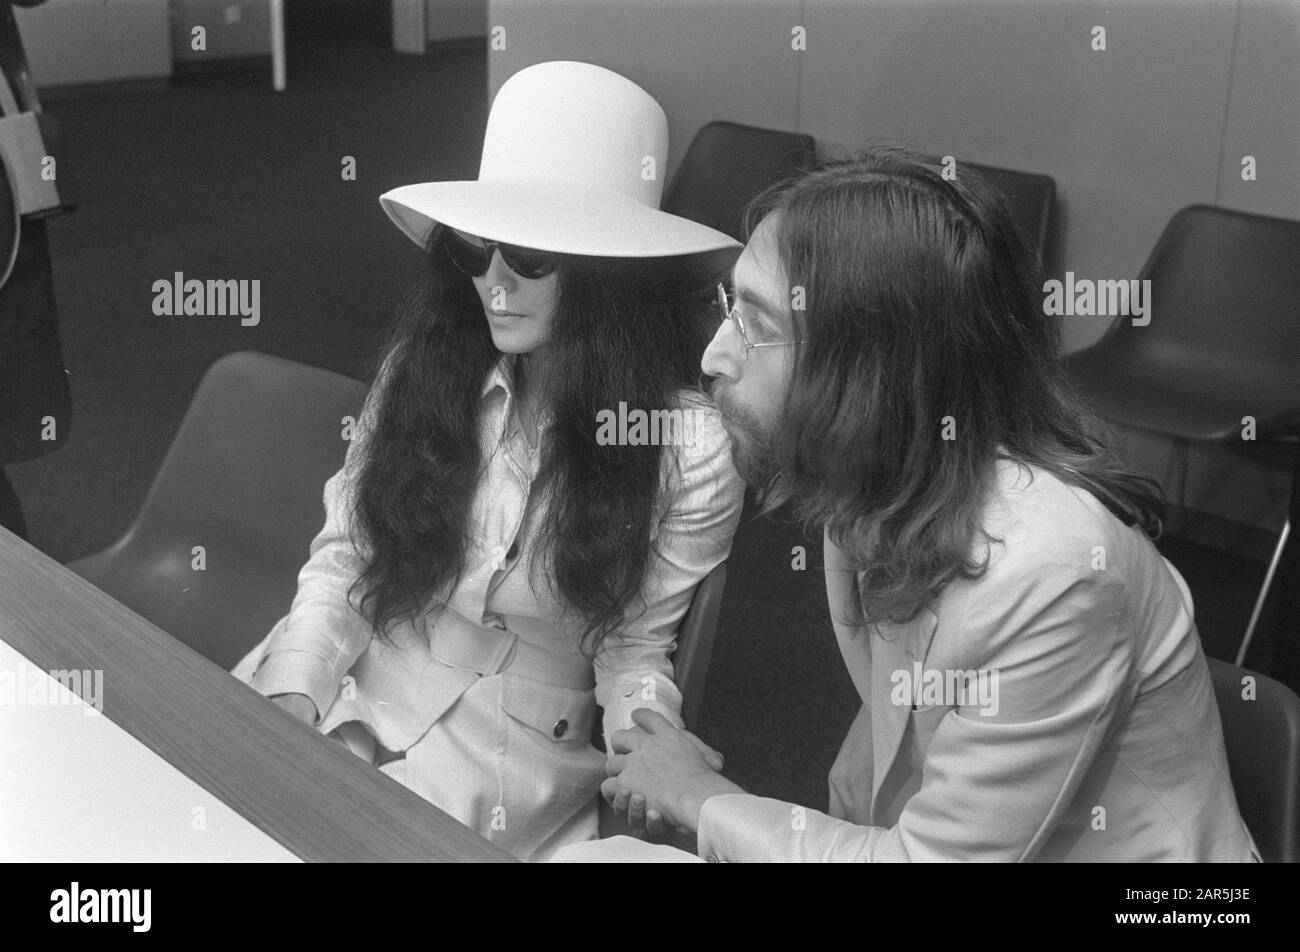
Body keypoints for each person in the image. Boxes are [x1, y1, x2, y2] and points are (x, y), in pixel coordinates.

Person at [594, 145, 1260, 862]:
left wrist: (700, 797)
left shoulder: (1055, 575)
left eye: (755, 322)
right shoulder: (866, 480)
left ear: (866, 373)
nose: (714, 357)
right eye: (731, 307)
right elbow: (900, 733)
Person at [232, 61, 745, 862]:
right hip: (352, 669)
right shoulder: (425, 368)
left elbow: (634, 646)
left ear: (612, 274)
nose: (494, 284)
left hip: (513, 749)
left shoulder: (686, 447)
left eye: (531, 260)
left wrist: (654, 746)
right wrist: (295, 686)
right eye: (475, 249)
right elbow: (348, 559)